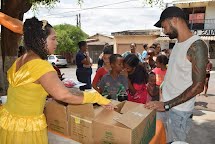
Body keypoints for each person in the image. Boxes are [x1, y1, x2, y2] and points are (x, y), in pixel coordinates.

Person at [0, 17, 115, 144]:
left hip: (9, 121)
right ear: (40, 40)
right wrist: (97, 98)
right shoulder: (41, 65)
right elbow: (64, 95)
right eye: (53, 38)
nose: (57, 43)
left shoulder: (21, 59)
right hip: (26, 129)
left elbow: (30, 89)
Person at [145, 6, 208, 143]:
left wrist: (166, 105)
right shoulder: (178, 44)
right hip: (164, 105)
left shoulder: (196, 46)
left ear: (174, 20)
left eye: (164, 26)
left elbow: (198, 86)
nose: (164, 31)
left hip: (179, 112)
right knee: (160, 139)